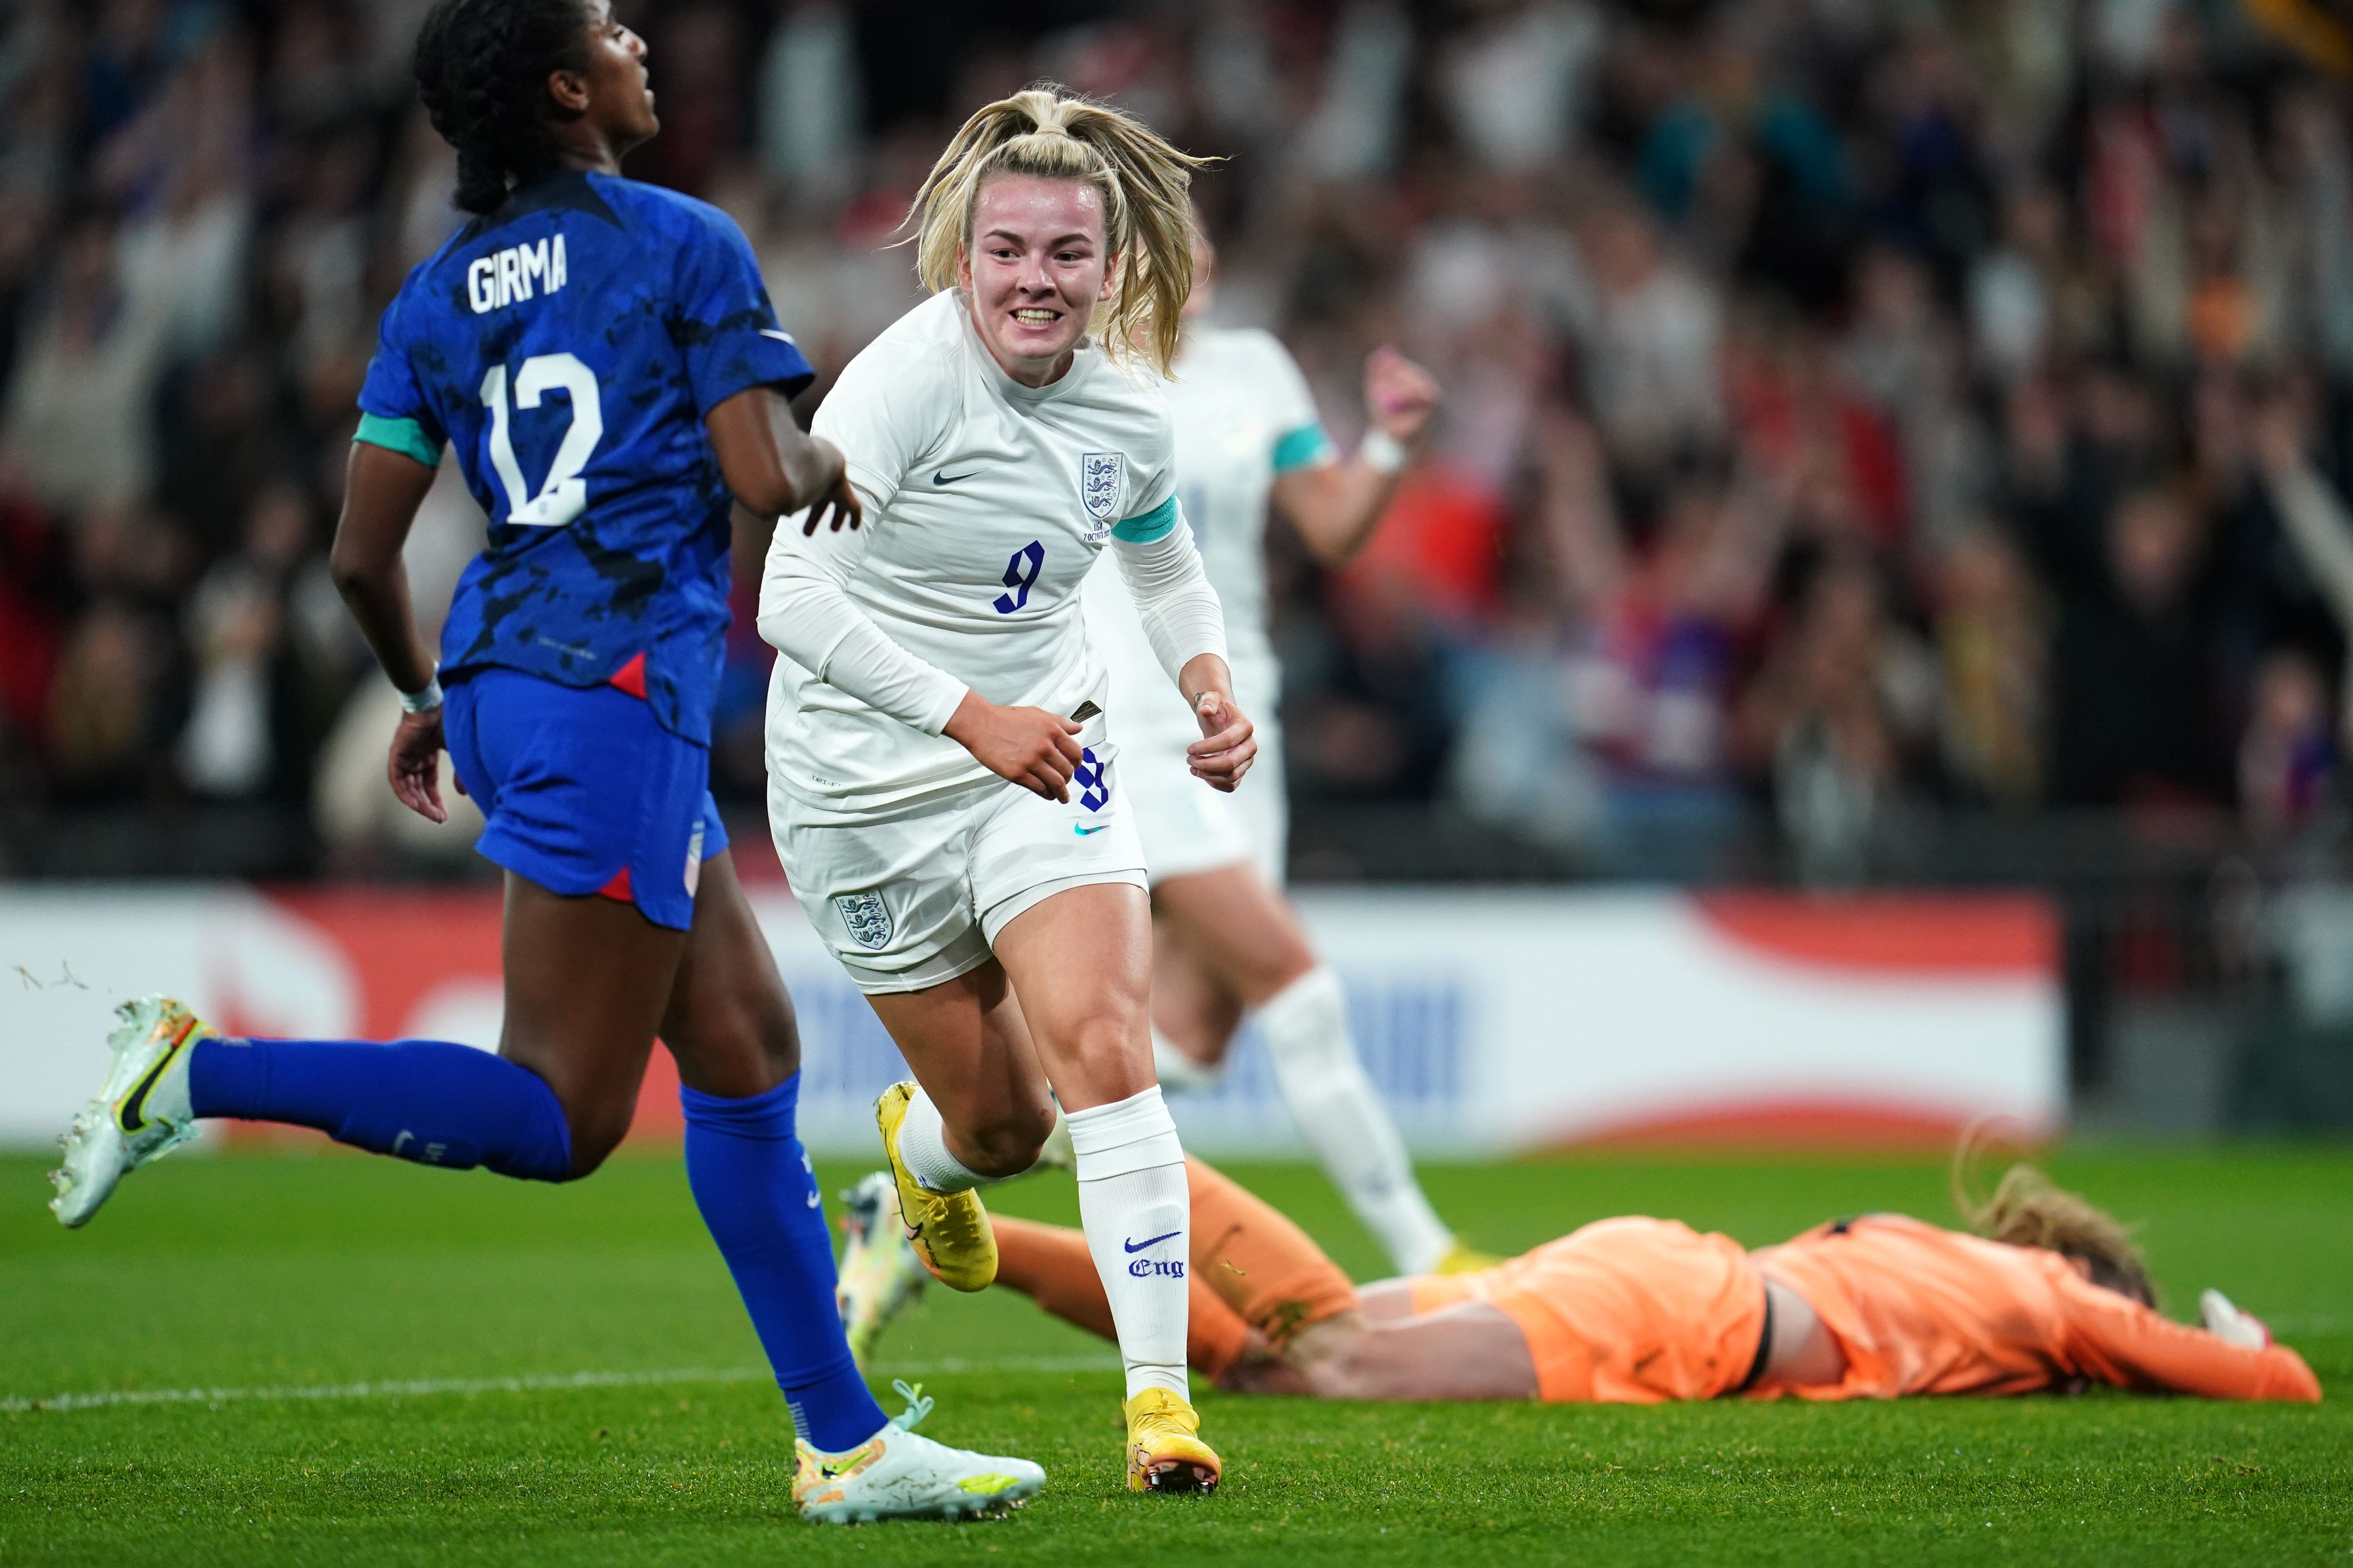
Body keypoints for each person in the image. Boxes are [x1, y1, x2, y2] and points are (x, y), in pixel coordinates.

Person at [45, 0, 1040, 1526]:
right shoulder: (680, 239)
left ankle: (846, 1447)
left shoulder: (436, 297)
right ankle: (194, 1073)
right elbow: (765, 469)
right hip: (614, 688)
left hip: (510, 681)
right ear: (570, 89)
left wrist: (432, 692)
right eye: (613, 27)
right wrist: (834, 461)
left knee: (748, 1055)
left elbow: (359, 557)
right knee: (565, 1116)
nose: (644, 38)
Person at [756, 86, 1244, 1494]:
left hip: (1044, 754)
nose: (1037, 279)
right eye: (1009, 251)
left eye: (1066, 255)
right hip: (862, 787)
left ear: (1112, 267)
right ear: (963, 260)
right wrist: (973, 720)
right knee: (1006, 1131)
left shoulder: (1128, 417)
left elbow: (1155, 555)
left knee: (1103, 1041)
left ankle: (1160, 1412)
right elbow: (790, 591)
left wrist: (1206, 682)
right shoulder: (900, 388)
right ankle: (922, 1150)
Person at [1075, 220, 1484, 1278]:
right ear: (1118, 263)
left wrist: (1390, 440)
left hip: (1243, 717)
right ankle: (1427, 1253)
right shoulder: (1074, 373)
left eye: (1208, 241)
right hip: (1134, 728)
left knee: (1190, 1049)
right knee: (1298, 985)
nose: (1201, 258)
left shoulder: (1256, 368)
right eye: (1172, 243)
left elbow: (1337, 528)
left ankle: (921, 1170)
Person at [843, 1152, 2321, 1407]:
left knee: (1254, 1364)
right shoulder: (2051, 1301)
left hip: (1655, 1268)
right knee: (1338, 1346)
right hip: (1679, 1315)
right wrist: (2220, 1330)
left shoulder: (1928, 1252)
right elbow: (2278, 1383)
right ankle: (1061, 1120)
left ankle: (922, 1234)